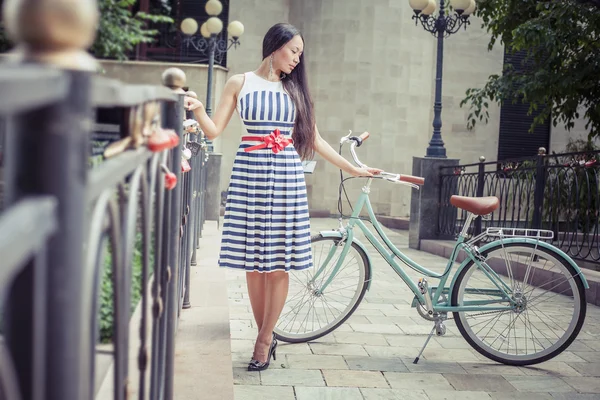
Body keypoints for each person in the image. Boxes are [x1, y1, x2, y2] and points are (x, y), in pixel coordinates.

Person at [185, 22, 381, 372]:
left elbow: (316, 141)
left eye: (300, 54)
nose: (296, 59)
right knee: (253, 265)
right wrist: (197, 107)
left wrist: (353, 170)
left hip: (286, 177)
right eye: (293, 51)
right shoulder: (240, 82)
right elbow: (214, 130)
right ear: (274, 47)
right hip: (249, 175)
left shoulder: (296, 92)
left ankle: (263, 340)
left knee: (276, 264)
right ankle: (267, 333)